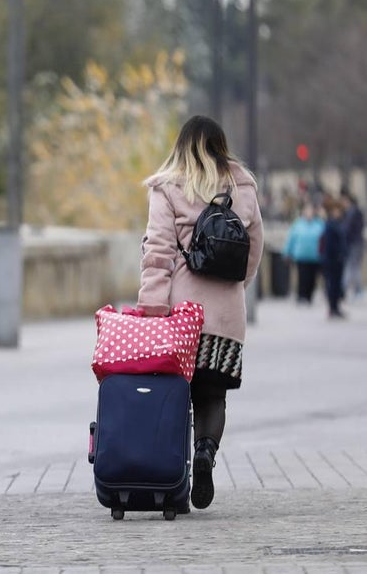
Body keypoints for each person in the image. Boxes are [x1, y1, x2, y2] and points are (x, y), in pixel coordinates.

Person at [136, 115, 263, 511]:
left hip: (180, 316)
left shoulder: (168, 186)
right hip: (226, 317)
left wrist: (152, 308)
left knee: (174, 397)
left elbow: (157, 252)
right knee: (212, 396)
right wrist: (236, 287)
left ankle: (174, 480)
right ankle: (206, 451)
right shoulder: (243, 185)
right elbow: (254, 247)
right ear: (221, 146)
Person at [282, 203, 324, 304]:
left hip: (315, 256)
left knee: (312, 278)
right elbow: (291, 239)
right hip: (301, 256)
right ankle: (301, 296)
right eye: (307, 211)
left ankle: (309, 296)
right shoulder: (298, 224)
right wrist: (287, 252)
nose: (309, 213)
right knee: (302, 277)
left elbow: (324, 240)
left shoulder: (319, 224)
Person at [321, 196, 347, 319]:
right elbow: (329, 244)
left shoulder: (339, 223)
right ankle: (332, 308)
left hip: (338, 258)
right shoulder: (330, 224)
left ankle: (336, 307)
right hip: (332, 259)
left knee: (337, 284)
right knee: (332, 284)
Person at [341, 192, 364, 300]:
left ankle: (346, 288)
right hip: (357, 242)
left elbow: (347, 229)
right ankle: (357, 289)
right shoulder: (355, 212)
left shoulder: (352, 213)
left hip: (354, 243)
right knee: (354, 266)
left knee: (351, 266)